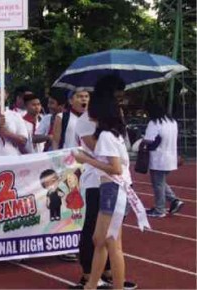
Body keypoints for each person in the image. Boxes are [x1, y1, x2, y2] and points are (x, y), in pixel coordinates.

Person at [73, 92, 134, 290]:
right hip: (111, 187)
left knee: (111, 242)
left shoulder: (107, 136)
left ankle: (115, 286)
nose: (87, 107)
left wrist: (86, 159)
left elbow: (115, 168)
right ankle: (91, 285)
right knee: (99, 239)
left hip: (112, 188)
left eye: (92, 105)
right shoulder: (110, 134)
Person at [144, 99, 183, 218]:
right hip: (171, 156)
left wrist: (141, 141)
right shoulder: (172, 122)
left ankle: (160, 209)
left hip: (158, 157)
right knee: (160, 182)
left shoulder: (154, 122)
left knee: (158, 184)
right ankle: (174, 200)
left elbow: (149, 140)